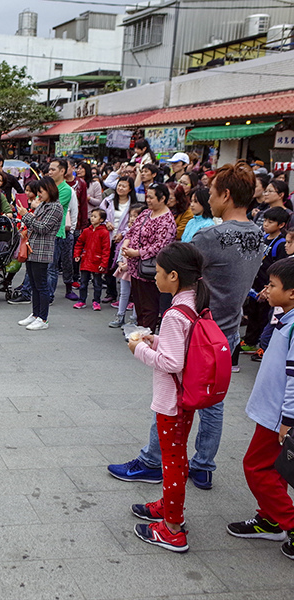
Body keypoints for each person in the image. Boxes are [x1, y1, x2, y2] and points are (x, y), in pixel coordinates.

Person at [109, 160, 264, 490]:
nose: (207, 197)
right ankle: (204, 465)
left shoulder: (212, 236)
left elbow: (174, 267)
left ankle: (152, 460)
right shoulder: (257, 234)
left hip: (197, 328)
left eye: (210, 192)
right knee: (213, 400)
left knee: (172, 395)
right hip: (227, 329)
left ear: (225, 194)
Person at [129, 242, 211, 553]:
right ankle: (168, 504)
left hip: (173, 401)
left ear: (174, 276)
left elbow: (172, 363)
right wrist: (159, 340)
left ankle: (173, 527)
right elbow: (182, 349)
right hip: (184, 398)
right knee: (175, 456)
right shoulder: (194, 302)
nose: (155, 276)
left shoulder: (176, 312)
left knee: (173, 461)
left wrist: (140, 349)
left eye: (159, 272)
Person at [226, 258, 294, 558]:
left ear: (292, 293)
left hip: (278, 416)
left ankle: (289, 522)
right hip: (271, 411)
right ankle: (270, 519)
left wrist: (288, 419)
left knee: (256, 468)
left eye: (272, 285)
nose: (267, 289)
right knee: (275, 470)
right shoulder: (285, 316)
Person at [122, 184, 176, 331]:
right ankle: (140, 335)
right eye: (147, 196)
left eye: (151, 197)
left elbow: (160, 246)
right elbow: (132, 231)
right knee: (139, 304)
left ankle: (147, 336)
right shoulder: (146, 213)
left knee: (149, 306)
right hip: (135, 268)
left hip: (150, 270)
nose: (148, 200)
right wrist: (126, 245)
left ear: (162, 198)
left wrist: (137, 253)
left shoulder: (167, 220)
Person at [15, 176, 64, 331]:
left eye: (41, 192)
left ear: (50, 190)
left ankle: (43, 318)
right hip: (32, 247)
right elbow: (34, 224)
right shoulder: (44, 204)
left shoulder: (55, 207)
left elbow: (42, 227)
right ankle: (35, 314)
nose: (39, 195)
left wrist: (25, 215)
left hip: (42, 250)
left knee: (41, 285)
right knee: (35, 285)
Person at [242, 206, 289, 352]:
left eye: (270, 222)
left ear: (281, 225)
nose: (266, 224)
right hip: (256, 284)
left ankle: (262, 346)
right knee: (253, 312)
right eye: (265, 221)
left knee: (264, 316)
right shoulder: (263, 238)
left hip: (268, 286)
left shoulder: (281, 244)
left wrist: (269, 287)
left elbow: (279, 269)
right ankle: (250, 340)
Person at [109, 205, 144, 328]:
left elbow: (139, 253)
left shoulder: (142, 233)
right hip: (123, 267)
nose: (133, 219)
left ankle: (134, 318)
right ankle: (120, 316)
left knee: (136, 294)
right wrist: (119, 262)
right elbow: (121, 249)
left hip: (134, 268)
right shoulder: (128, 232)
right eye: (131, 216)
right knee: (124, 293)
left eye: (136, 216)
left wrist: (127, 265)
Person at [46, 159, 76, 302]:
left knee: (52, 267)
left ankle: (49, 296)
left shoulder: (66, 189)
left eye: (53, 169)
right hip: (44, 230)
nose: (50, 172)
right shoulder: (48, 186)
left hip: (57, 232)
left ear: (62, 171)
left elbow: (50, 206)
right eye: (49, 169)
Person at [73, 208, 110, 311]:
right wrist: (77, 254)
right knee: (83, 282)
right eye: (92, 216)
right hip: (86, 260)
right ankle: (82, 300)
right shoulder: (86, 231)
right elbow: (79, 243)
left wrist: (103, 264)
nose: (92, 218)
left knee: (97, 283)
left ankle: (96, 301)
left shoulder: (104, 232)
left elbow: (106, 249)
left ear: (101, 219)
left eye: (95, 216)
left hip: (97, 262)